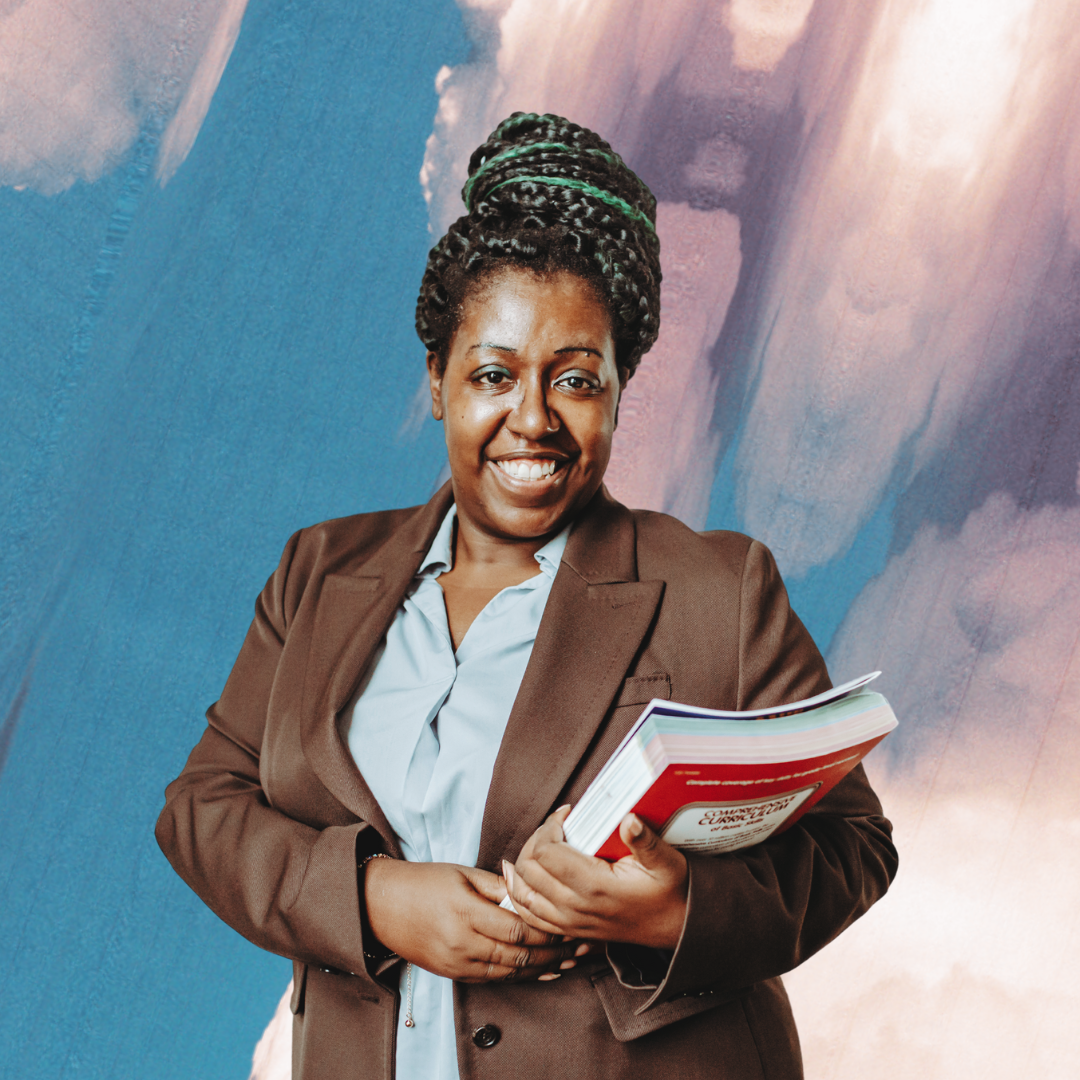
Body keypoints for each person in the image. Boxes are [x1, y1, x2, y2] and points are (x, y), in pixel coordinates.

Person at [156, 112, 897, 1080]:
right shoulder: (320, 573)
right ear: (437, 382)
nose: (533, 420)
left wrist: (673, 912)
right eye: (494, 375)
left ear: (622, 389)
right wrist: (375, 899)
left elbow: (853, 846)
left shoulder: (719, 589)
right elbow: (203, 806)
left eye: (578, 380)